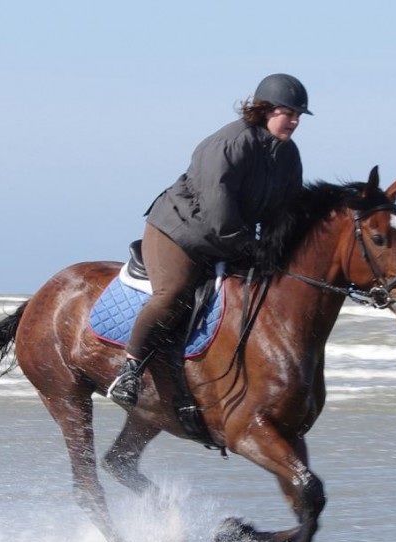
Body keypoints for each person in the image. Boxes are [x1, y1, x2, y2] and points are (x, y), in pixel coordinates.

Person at [107, 73, 312, 407]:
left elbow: (286, 209)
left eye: (298, 116)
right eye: (288, 112)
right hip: (179, 232)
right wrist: (249, 247)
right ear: (265, 110)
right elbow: (219, 207)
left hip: (228, 238)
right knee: (172, 294)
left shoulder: (288, 156)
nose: (294, 121)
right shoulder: (231, 143)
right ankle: (130, 369)